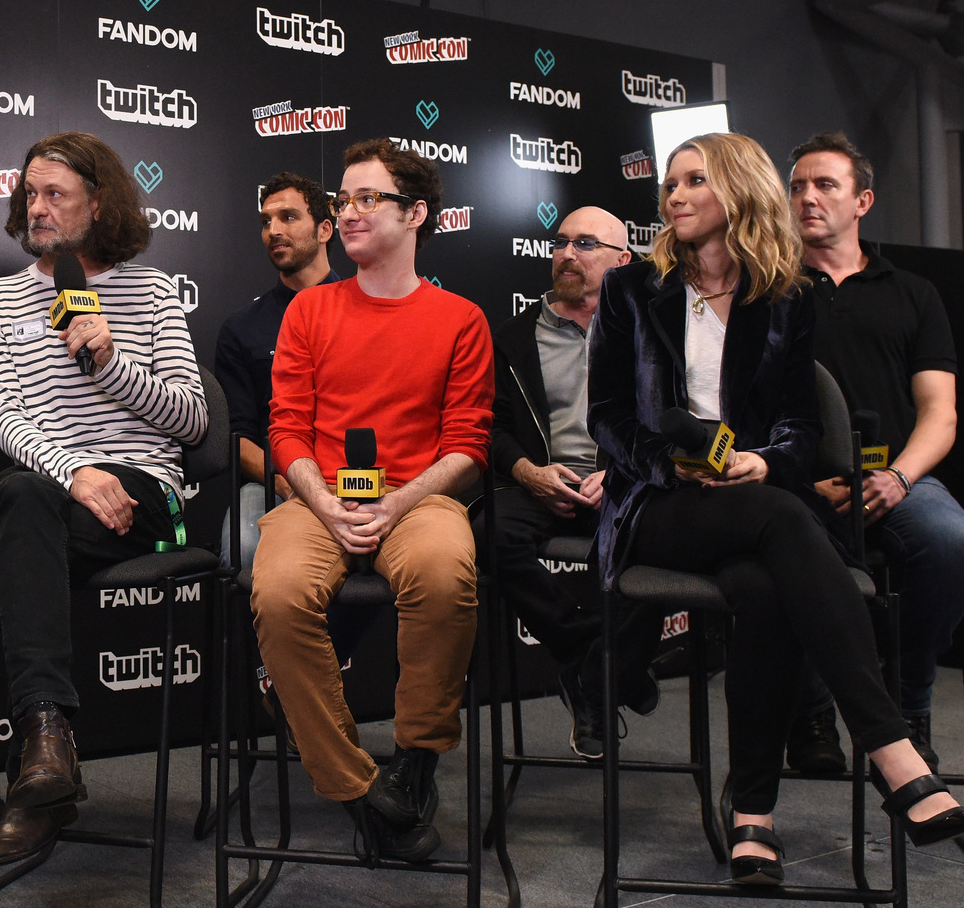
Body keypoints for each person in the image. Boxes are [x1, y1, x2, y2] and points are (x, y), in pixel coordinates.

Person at [587, 132, 964, 887]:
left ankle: (753, 818)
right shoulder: (631, 288)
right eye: (670, 182)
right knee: (786, 521)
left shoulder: (784, 299)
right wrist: (674, 462)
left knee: (764, 583)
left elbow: (799, 424)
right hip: (660, 504)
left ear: (737, 189)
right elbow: (607, 419)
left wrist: (764, 460)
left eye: (696, 179)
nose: (676, 194)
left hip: (753, 496)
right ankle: (893, 751)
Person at [249, 139, 493, 862]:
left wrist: (395, 504)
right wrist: (325, 504)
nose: (347, 213)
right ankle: (357, 785)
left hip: (418, 500)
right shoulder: (310, 313)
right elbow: (286, 429)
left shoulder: (460, 318)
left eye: (366, 199)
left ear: (415, 213)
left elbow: (468, 447)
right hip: (319, 498)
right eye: (342, 200)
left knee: (447, 574)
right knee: (280, 591)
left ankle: (416, 762)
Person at [0, 132, 206, 868]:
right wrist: (76, 470)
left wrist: (110, 362)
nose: (36, 209)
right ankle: (49, 735)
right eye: (29, 194)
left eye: (54, 195)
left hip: (148, 496)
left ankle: (42, 765)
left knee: (22, 515)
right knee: (22, 493)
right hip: (57, 490)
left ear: (98, 203)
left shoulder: (152, 289)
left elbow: (191, 420)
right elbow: (6, 417)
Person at [786, 131, 964, 770]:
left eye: (825, 185)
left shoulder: (914, 293)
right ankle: (810, 713)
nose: (807, 198)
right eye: (797, 187)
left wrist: (898, 476)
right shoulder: (768, 289)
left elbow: (940, 414)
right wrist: (797, 477)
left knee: (954, 546)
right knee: (777, 558)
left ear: (862, 200)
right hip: (798, 482)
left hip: (894, 478)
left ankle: (907, 704)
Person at [483, 205, 659, 759]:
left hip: (624, 485)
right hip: (543, 483)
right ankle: (595, 656)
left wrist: (624, 471)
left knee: (670, 540)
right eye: (560, 243)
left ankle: (590, 680)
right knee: (487, 531)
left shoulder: (650, 332)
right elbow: (488, 426)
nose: (566, 255)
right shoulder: (513, 337)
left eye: (585, 245)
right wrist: (528, 473)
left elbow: (670, 418)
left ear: (623, 261)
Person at [213, 172, 338, 567]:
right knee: (247, 548)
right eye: (266, 221)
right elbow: (237, 436)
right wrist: (286, 482)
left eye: (288, 217)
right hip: (275, 479)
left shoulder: (364, 310)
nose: (273, 231)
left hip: (357, 475)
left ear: (324, 229)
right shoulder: (242, 327)